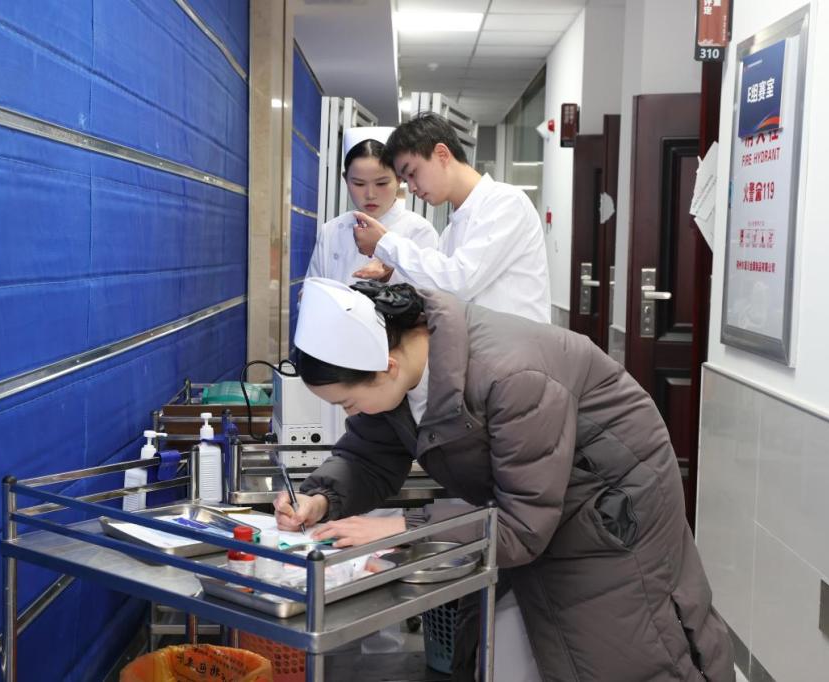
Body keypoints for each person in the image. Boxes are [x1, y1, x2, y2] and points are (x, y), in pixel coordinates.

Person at [274, 278, 735, 682]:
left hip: (608, 516)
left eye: (347, 403)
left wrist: (404, 529)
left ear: (387, 367)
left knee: (621, 650)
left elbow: (523, 528)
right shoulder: (400, 363)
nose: (349, 413)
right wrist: (320, 497)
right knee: (510, 643)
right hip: (533, 507)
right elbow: (368, 453)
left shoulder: (512, 375)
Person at [349, 112, 551, 324]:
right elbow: (438, 289)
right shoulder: (451, 231)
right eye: (406, 180)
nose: (412, 188)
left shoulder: (506, 202)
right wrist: (389, 272)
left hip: (515, 341)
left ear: (442, 154)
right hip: (486, 340)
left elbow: (459, 281)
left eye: (413, 173)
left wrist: (385, 241)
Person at [306, 127, 437, 285]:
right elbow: (313, 286)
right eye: (359, 184)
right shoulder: (331, 230)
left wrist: (388, 273)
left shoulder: (419, 231)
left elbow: (428, 293)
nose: (370, 194)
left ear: (399, 179)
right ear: (346, 180)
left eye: (381, 183)